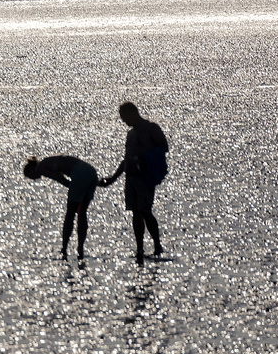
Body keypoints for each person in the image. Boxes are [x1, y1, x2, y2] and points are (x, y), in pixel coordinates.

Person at [99, 101, 168, 263]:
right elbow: (127, 159)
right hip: (131, 177)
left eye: (124, 117)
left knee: (145, 210)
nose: (123, 121)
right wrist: (113, 177)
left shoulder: (151, 128)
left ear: (133, 113)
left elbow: (164, 147)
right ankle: (140, 248)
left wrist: (145, 158)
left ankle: (157, 245)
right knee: (135, 212)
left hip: (145, 176)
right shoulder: (131, 134)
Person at [22, 154, 101, 259]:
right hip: (91, 172)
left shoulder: (40, 168)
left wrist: (71, 186)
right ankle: (80, 248)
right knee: (82, 213)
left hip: (79, 174)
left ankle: (64, 248)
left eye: (31, 177)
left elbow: (59, 178)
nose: (34, 180)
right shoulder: (47, 161)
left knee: (70, 214)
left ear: (31, 170)